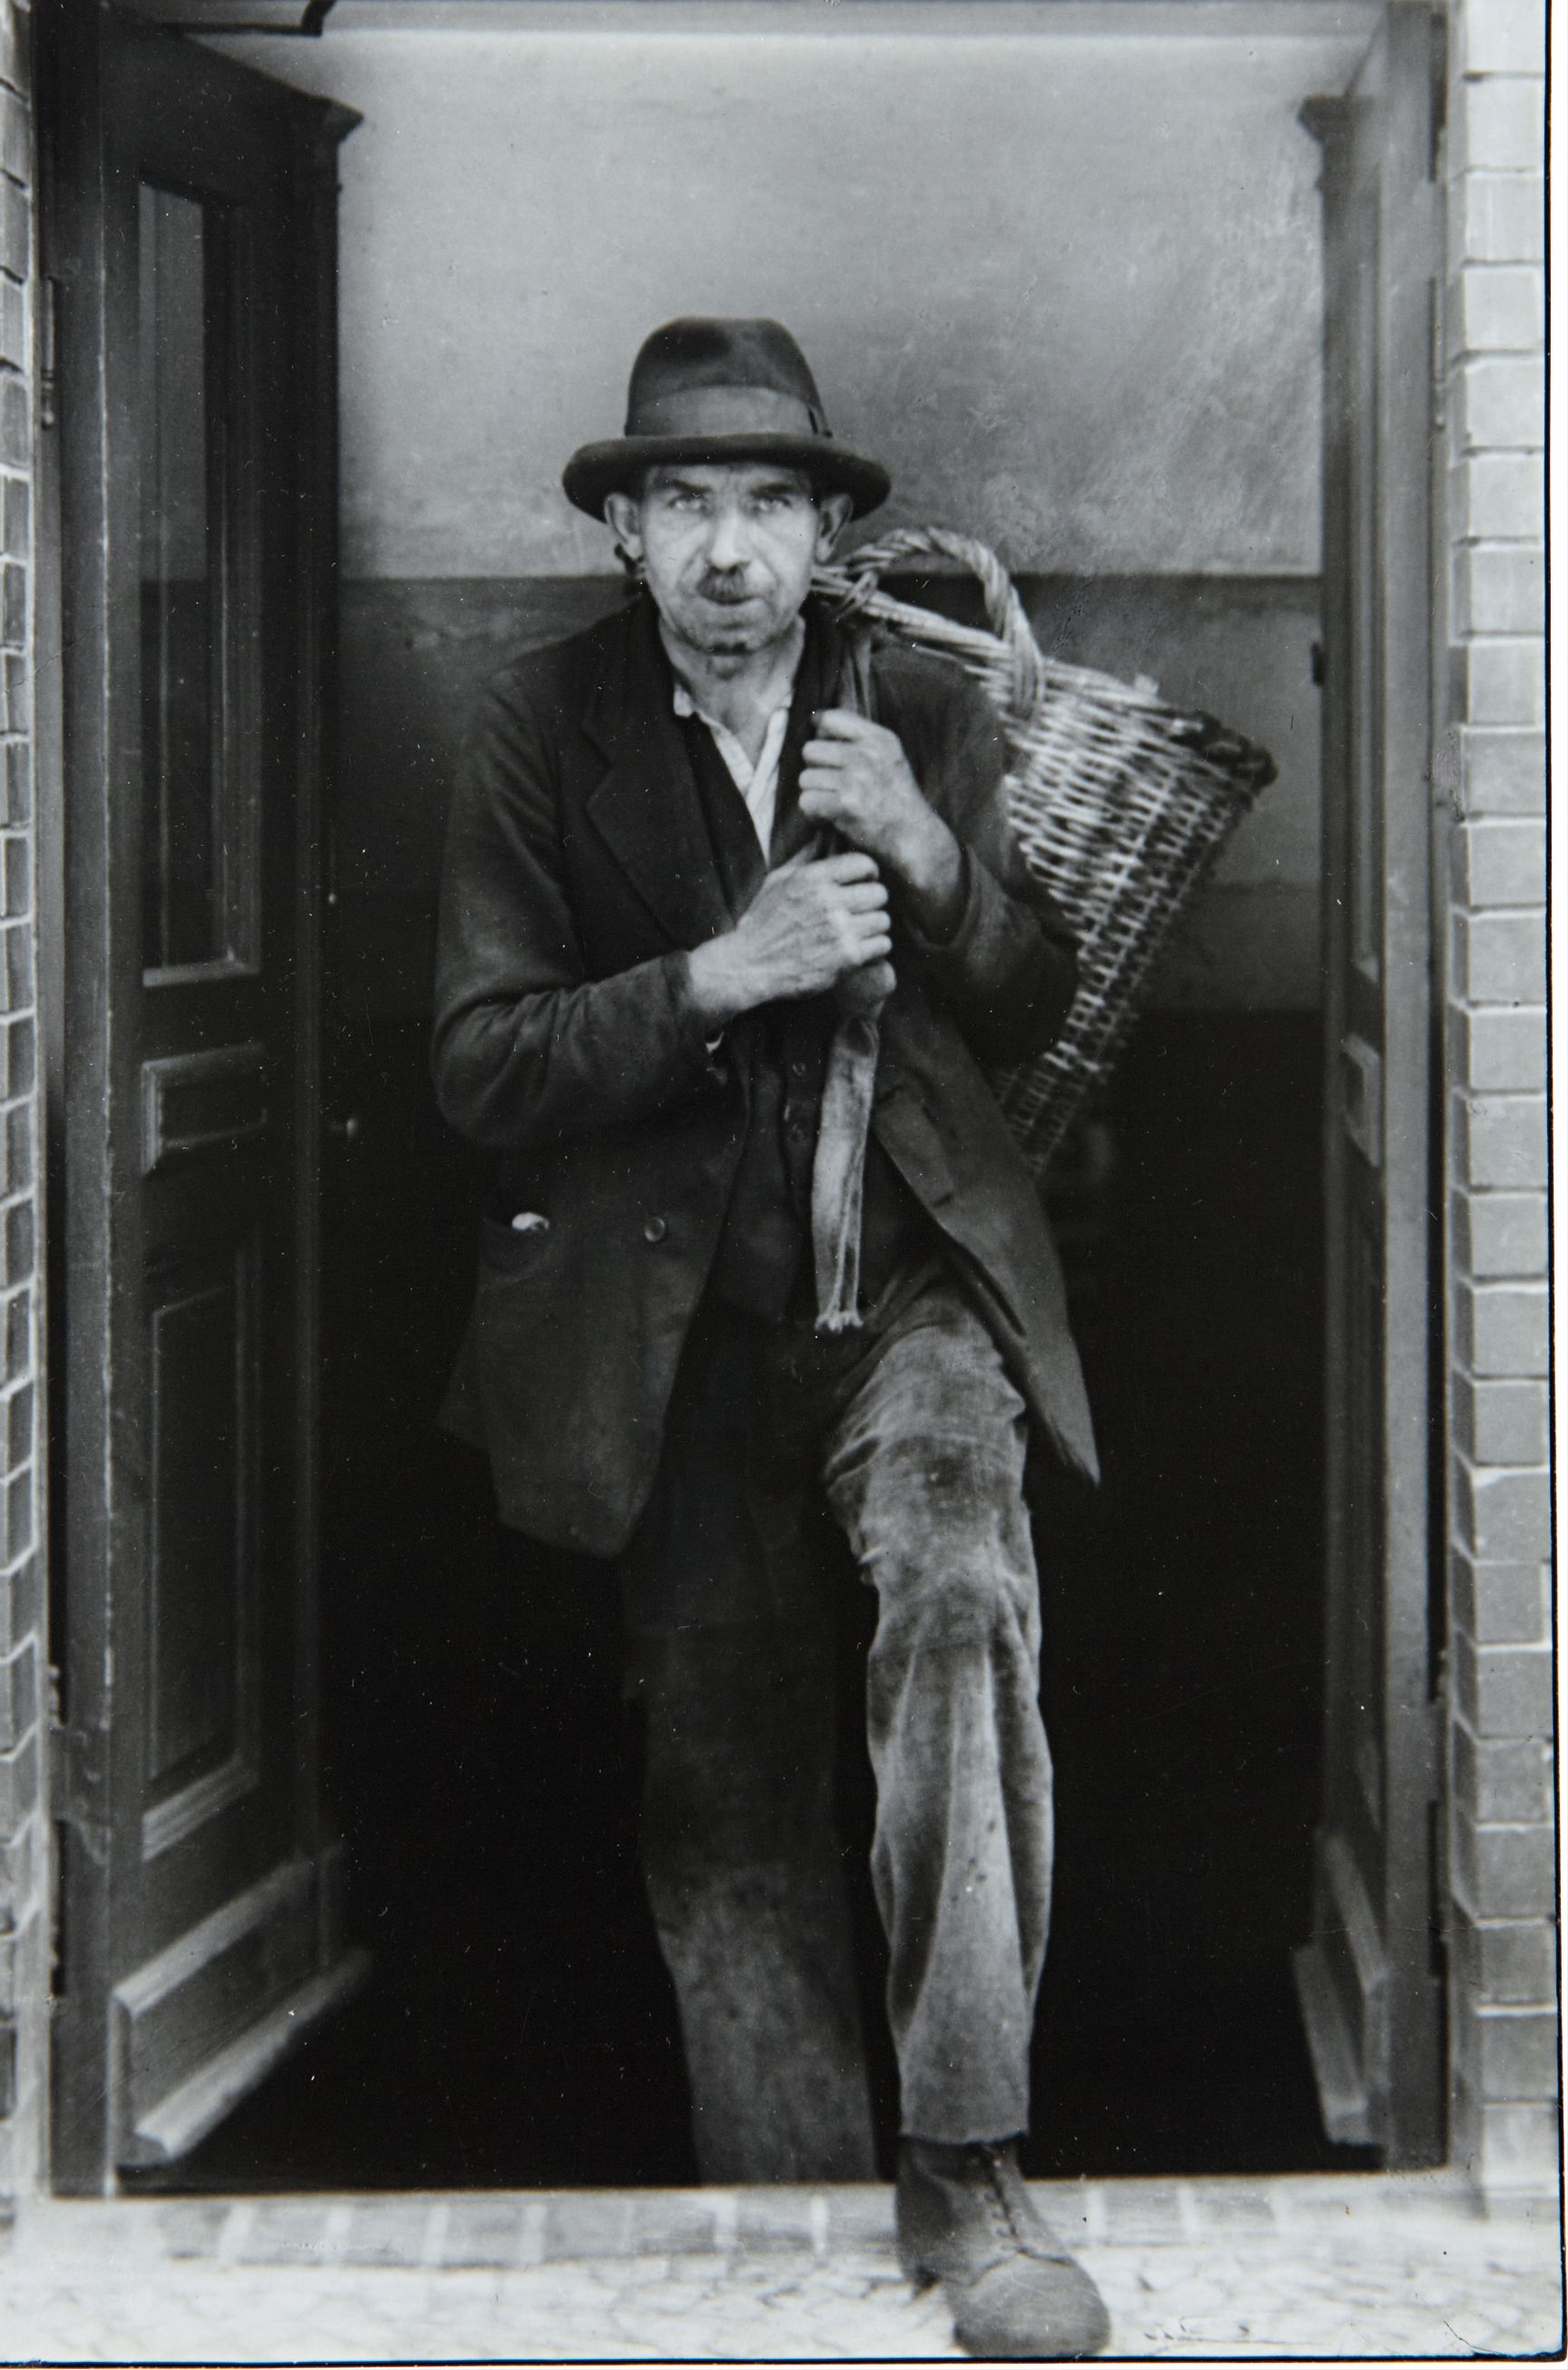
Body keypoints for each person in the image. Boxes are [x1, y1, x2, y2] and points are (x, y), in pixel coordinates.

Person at [433, 317, 1109, 2359]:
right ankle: (793, 2221)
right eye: (688, 503)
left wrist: (925, 849)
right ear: (629, 534)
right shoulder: (535, 727)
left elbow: (1038, 1001)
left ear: (825, 535)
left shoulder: (913, 699)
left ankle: (976, 2178)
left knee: (964, 1594)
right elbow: (478, 1062)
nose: (730, 547)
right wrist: (722, 970)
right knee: (723, 1795)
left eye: (768, 504)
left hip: (908, 1292)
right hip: (679, 1339)